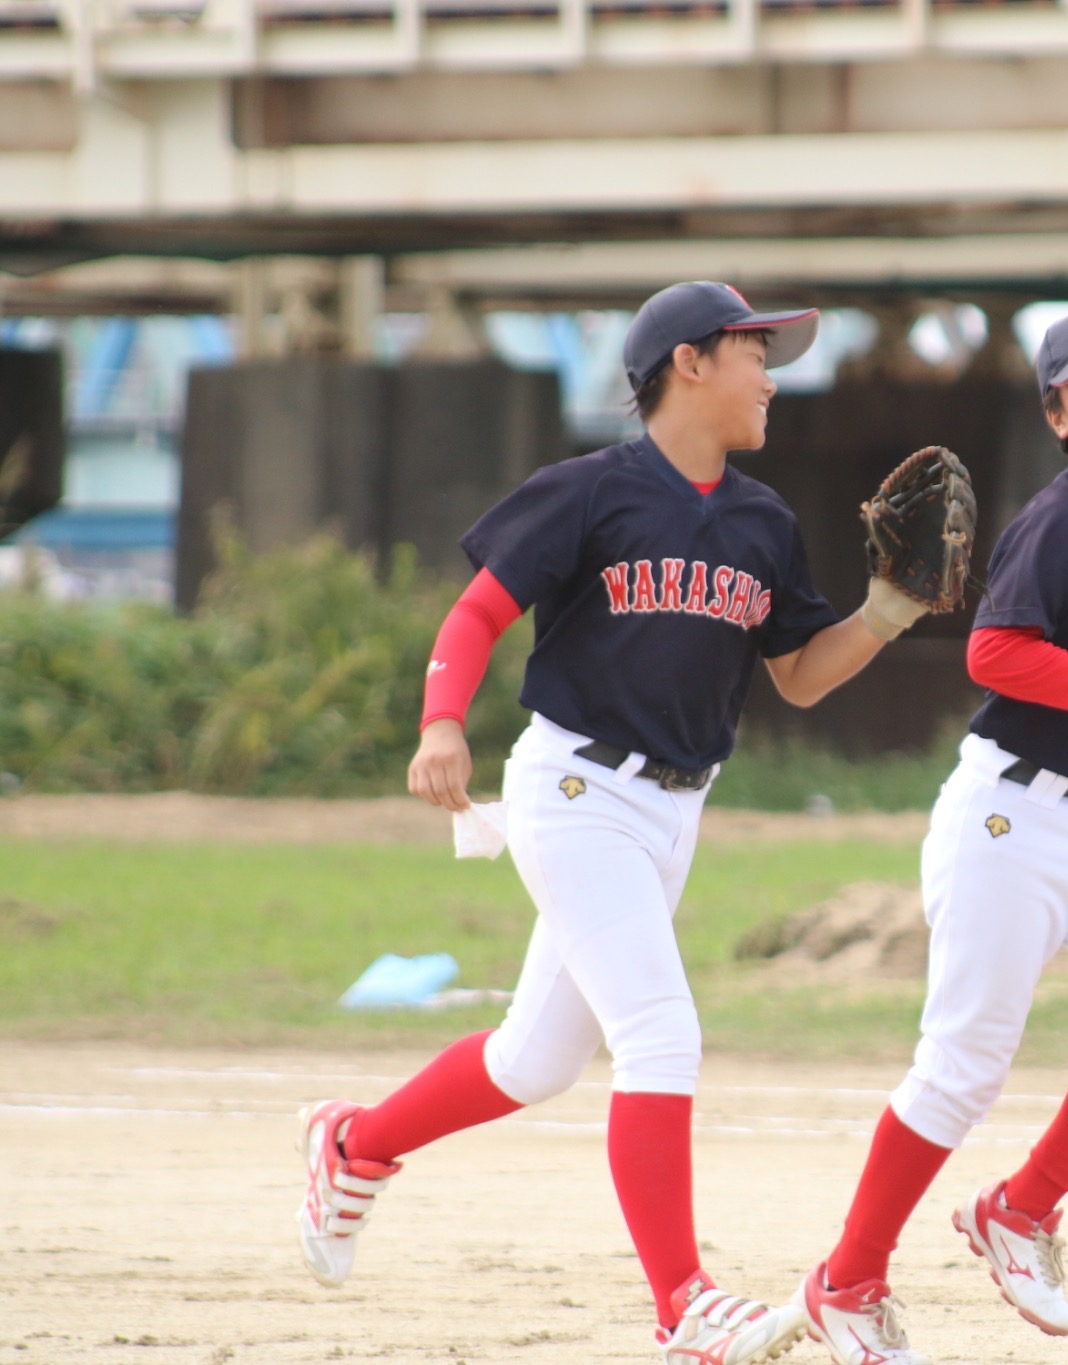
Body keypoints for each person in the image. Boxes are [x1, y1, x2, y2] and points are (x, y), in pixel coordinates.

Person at [292, 281, 947, 1364]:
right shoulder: (590, 491)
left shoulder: (762, 521)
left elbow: (797, 674)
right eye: (754, 353)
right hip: (575, 791)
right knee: (660, 1034)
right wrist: (441, 722)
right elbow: (477, 609)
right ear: (688, 362)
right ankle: (683, 1301)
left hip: (673, 811)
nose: (770, 378)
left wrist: (883, 615)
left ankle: (353, 1143)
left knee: (535, 1058)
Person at [791, 302, 1068, 1365]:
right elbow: (994, 653)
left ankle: (1018, 1208)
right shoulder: (1060, 518)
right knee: (963, 1067)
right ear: (1058, 417)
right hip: (1011, 816)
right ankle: (846, 1281)